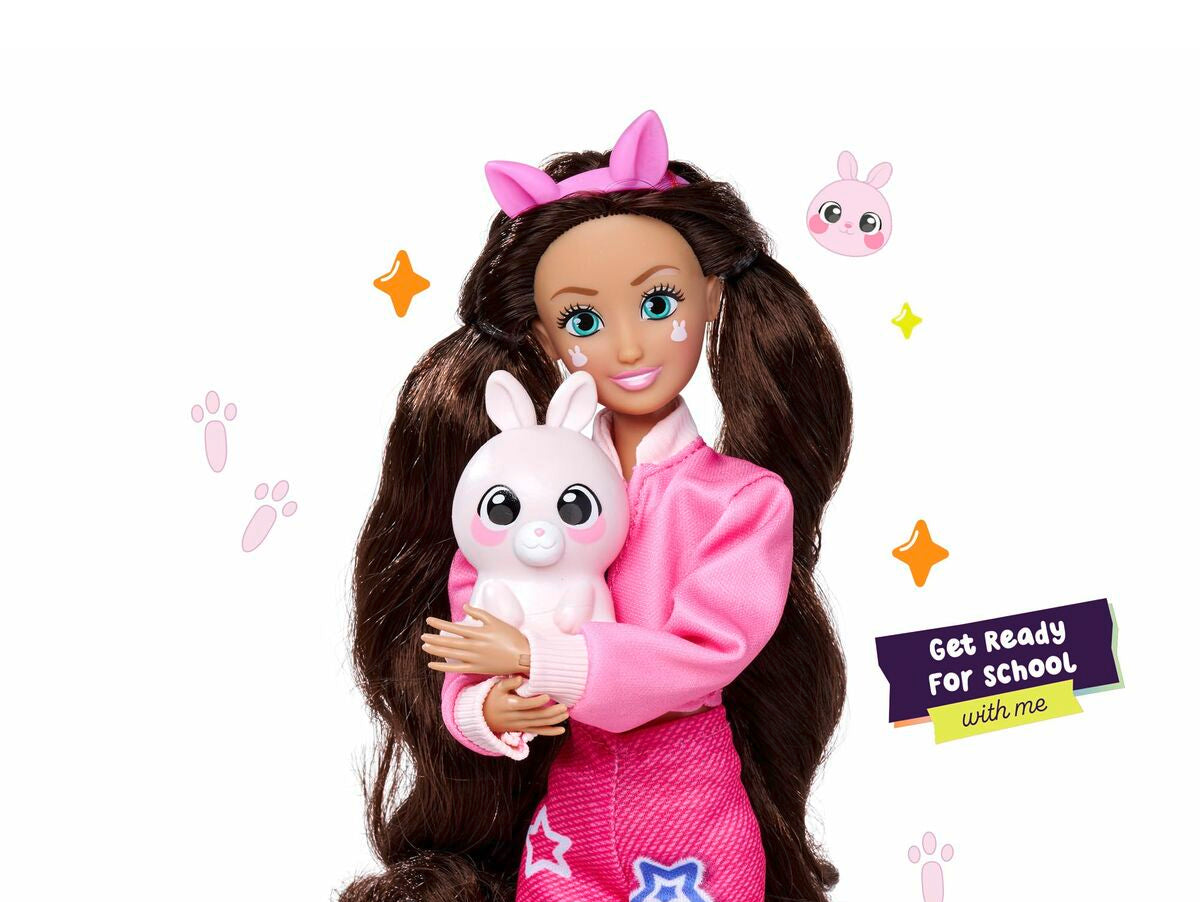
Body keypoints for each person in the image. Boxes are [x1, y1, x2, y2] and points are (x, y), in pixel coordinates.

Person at [343, 110, 853, 902]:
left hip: (690, 820)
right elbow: (476, 623)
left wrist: (535, 658)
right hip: (568, 823)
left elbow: (703, 652)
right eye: (584, 320)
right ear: (548, 340)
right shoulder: (521, 490)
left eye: (658, 304)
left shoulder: (741, 501)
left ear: (711, 296)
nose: (628, 346)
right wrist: (488, 709)